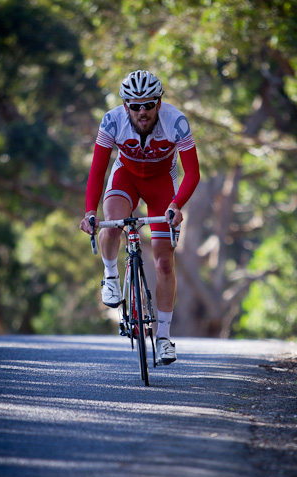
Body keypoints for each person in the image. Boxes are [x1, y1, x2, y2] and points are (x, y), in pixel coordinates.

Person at [80, 70, 200, 364]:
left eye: (148, 104)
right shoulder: (111, 122)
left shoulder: (177, 122)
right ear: (125, 107)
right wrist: (89, 212)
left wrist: (176, 205)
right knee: (112, 224)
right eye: (135, 106)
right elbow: (97, 171)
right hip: (126, 179)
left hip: (162, 186)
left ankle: (163, 339)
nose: (142, 111)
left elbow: (193, 173)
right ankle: (110, 276)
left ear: (159, 103)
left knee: (163, 262)